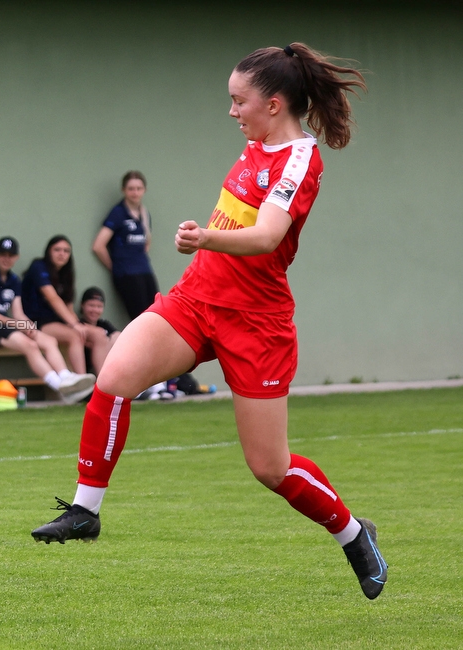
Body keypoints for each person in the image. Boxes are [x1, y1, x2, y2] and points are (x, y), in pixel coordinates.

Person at [32, 43, 387, 600]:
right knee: (114, 378)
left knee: (270, 468)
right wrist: (205, 246)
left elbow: (268, 236)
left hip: (256, 323)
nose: (231, 111)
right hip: (196, 300)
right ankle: (85, 510)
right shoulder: (255, 144)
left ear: (273, 104)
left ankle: (351, 534)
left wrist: (206, 237)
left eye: (237, 100)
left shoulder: (299, 159)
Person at [0, 237, 96, 403]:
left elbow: (18, 313)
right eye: (3, 254)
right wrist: (16, 324)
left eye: (11, 255)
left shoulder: (14, 280)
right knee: (30, 345)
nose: (7, 258)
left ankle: (66, 378)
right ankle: (60, 387)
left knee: (48, 340)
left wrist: (27, 326)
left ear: (17, 257)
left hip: (5, 325)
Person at [22, 236, 112, 375]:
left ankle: (104, 384)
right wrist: (75, 325)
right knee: (74, 335)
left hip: (60, 322)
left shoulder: (66, 273)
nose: (62, 254)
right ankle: (83, 383)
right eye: (57, 250)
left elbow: (68, 305)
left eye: (66, 251)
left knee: (99, 334)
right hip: (37, 322)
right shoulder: (39, 267)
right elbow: (53, 298)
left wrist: (79, 325)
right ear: (48, 251)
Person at [92, 170, 160, 320]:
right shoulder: (118, 213)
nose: (135, 192)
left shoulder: (144, 214)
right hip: (127, 274)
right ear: (123, 190)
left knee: (157, 314)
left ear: (144, 190)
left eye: (138, 188)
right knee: (140, 319)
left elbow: (146, 241)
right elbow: (98, 246)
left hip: (144, 270)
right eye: (130, 188)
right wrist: (115, 267)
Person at [77, 287, 120, 374]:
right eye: (91, 305)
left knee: (118, 337)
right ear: (82, 305)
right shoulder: (78, 326)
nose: (95, 310)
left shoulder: (104, 324)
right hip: (90, 370)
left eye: (99, 306)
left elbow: (118, 337)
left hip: (111, 367)